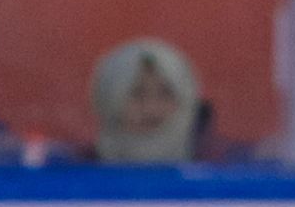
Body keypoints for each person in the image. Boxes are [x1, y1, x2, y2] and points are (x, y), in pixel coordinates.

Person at [89, 36, 207, 164]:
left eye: (165, 93)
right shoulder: (81, 169)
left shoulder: (214, 165)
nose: (151, 109)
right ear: (110, 101)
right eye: (137, 93)